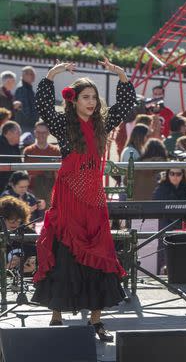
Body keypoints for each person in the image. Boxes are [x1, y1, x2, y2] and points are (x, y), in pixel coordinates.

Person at [31, 58, 135, 342]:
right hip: (68, 198)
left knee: (99, 252)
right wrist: (52, 73)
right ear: (74, 100)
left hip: (93, 199)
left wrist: (122, 74)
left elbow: (125, 105)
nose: (91, 102)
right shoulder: (64, 125)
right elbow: (41, 103)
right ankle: (56, 314)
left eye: (94, 98)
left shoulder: (103, 124)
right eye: (85, 97)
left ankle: (96, 320)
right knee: (64, 250)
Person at [152, 167, 186, 272]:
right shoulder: (161, 189)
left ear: (183, 175)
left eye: (178, 174)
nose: (175, 177)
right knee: (165, 256)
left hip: (182, 228)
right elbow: (160, 210)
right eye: (172, 173)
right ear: (167, 174)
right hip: (166, 227)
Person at [23, 121, 61, 207]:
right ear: (35, 133)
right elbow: (29, 173)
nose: (41, 135)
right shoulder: (28, 151)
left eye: (44, 132)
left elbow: (58, 174)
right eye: (38, 132)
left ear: (48, 133)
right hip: (33, 190)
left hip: (51, 190)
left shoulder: (56, 151)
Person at [0, 195, 37, 277]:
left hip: (28, 281)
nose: (16, 224)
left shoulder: (29, 233)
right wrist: (5, 269)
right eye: (11, 221)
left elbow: (37, 256)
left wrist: (33, 266)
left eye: (19, 221)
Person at [14, 66, 37, 133]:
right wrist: (33, 120)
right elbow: (24, 109)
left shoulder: (28, 87)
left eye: (34, 74)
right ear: (24, 75)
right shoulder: (22, 88)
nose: (34, 76)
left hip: (28, 125)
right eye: (31, 74)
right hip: (25, 126)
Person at [0, 121, 22, 191]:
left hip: (10, 187)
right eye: (18, 133)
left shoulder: (15, 147)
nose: (20, 136)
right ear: (9, 133)